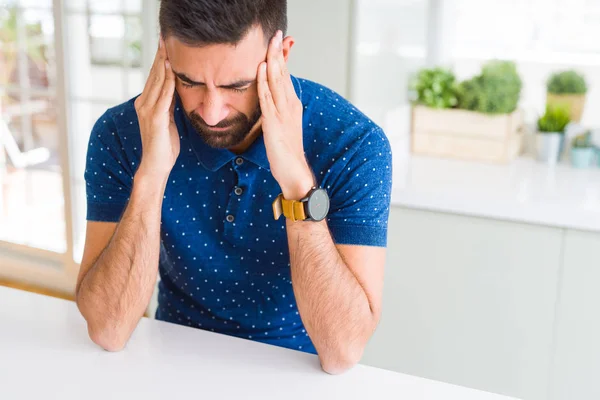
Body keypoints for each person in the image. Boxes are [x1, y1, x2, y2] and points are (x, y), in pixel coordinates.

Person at [75, 0, 393, 375]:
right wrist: (150, 175)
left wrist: (296, 183)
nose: (211, 112)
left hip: (297, 369)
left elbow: (342, 351)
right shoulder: (121, 133)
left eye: (236, 86)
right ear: (164, 52)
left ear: (281, 55)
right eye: (189, 81)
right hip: (169, 357)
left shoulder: (354, 144)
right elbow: (109, 329)